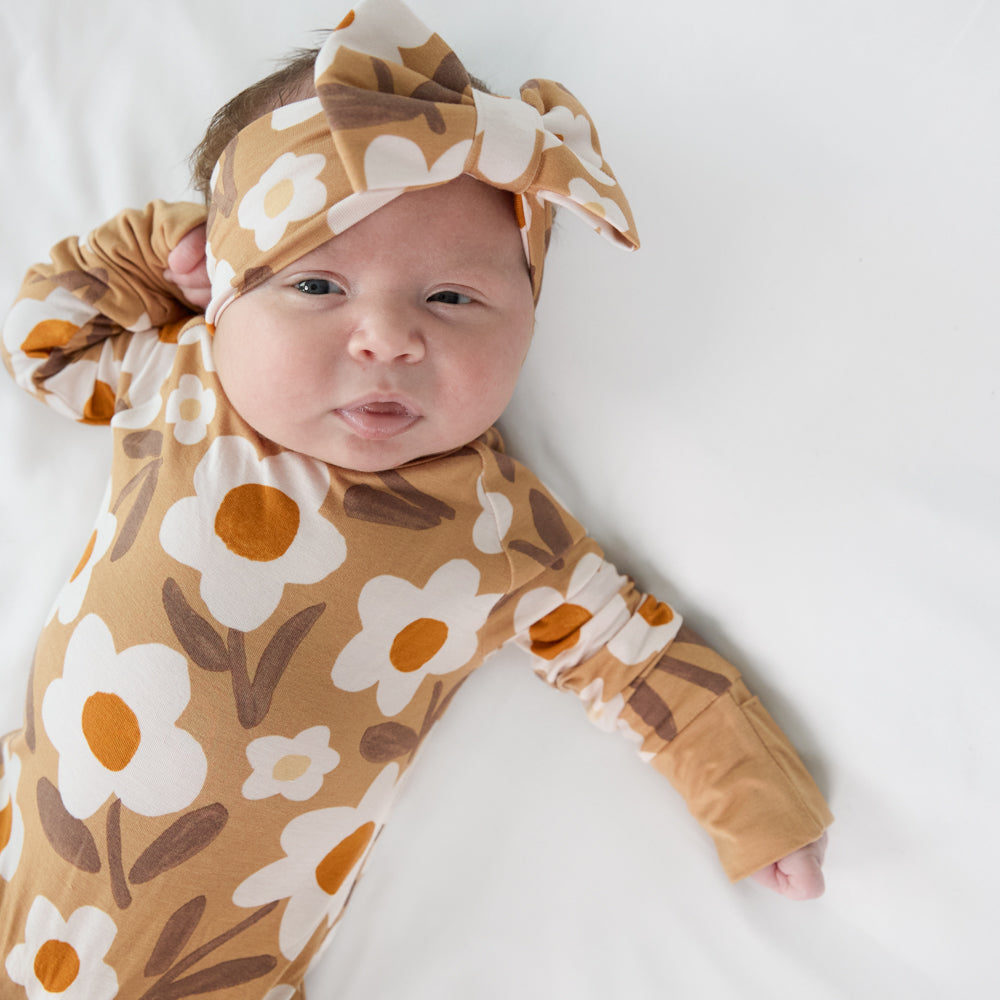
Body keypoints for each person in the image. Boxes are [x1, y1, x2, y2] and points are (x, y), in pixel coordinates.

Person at [0, 0, 831, 996]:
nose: (387, 338)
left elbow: (638, 659)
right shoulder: (186, 387)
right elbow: (46, 344)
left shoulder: (496, 530)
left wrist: (753, 799)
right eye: (315, 287)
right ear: (225, 292)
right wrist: (153, 256)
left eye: (450, 298)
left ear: (526, 313)